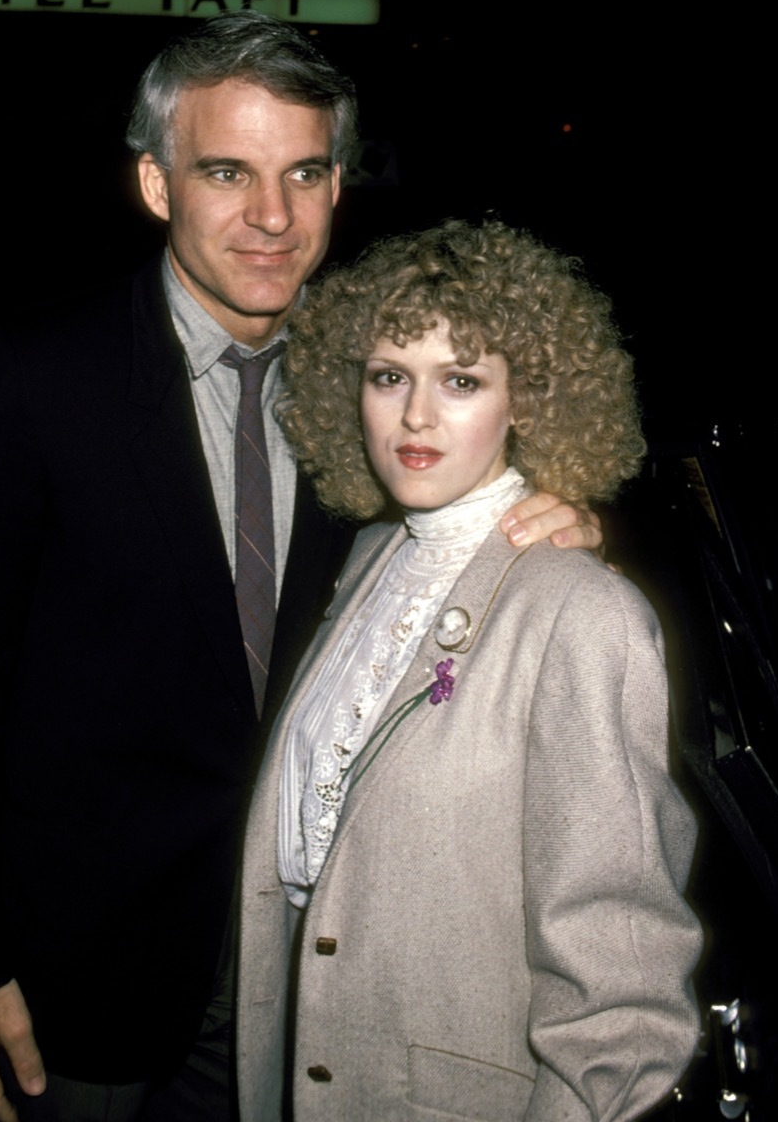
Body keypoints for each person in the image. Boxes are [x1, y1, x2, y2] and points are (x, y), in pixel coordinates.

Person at [0, 16, 602, 1122]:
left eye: (304, 173)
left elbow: (454, 535)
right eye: (227, 172)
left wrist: (551, 513)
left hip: (309, 979)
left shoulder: (378, 382)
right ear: (157, 184)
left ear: (338, 184)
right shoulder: (33, 378)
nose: (272, 216)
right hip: (77, 977)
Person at [237, 219, 702, 1121]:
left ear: (525, 400)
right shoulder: (370, 558)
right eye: (389, 377)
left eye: (460, 380)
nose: (416, 416)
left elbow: (622, 1010)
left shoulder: (584, 614)